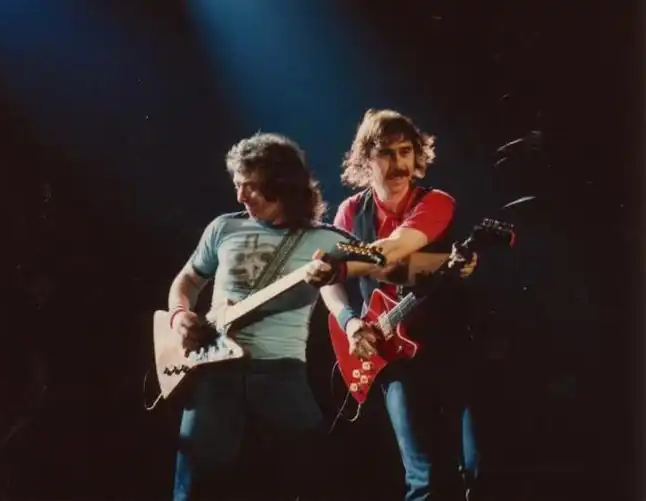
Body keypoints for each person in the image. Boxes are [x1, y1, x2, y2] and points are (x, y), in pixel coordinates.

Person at [165, 132, 362, 501]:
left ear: (282, 185)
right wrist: (179, 316)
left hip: (282, 374)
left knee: (313, 479)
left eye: (251, 186)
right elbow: (187, 280)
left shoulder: (328, 239)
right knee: (193, 487)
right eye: (237, 185)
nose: (240, 196)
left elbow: (386, 266)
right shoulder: (224, 227)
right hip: (214, 372)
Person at [306, 108, 484, 501]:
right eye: (386, 153)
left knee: (476, 469)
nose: (399, 163)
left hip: (451, 345)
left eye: (406, 151)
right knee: (422, 477)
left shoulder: (436, 202)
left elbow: (394, 249)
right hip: (395, 357)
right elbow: (332, 287)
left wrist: (338, 265)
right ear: (365, 160)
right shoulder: (351, 212)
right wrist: (350, 321)